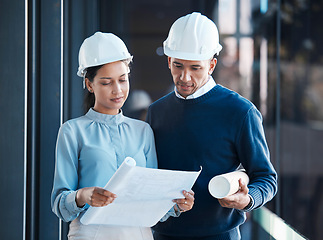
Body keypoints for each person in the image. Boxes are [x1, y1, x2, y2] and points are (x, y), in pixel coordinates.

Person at [146, 12, 278, 240]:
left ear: (211, 65)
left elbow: (266, 178)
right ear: (169, 61)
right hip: (163, 235)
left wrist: (247, 200)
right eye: (178, 66)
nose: (184, 77)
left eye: (195, 68)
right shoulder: (156, 111)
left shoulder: (240, 111)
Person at [51, 32, 194, 240]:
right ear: (90, 84)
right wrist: (83, 196)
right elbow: (59, 204)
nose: (117, 90)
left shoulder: (143, 131)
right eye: (106, 83)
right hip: (90, 234)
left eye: (122, 80)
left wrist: (177, 204)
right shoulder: (72, 131)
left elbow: (152, 199)